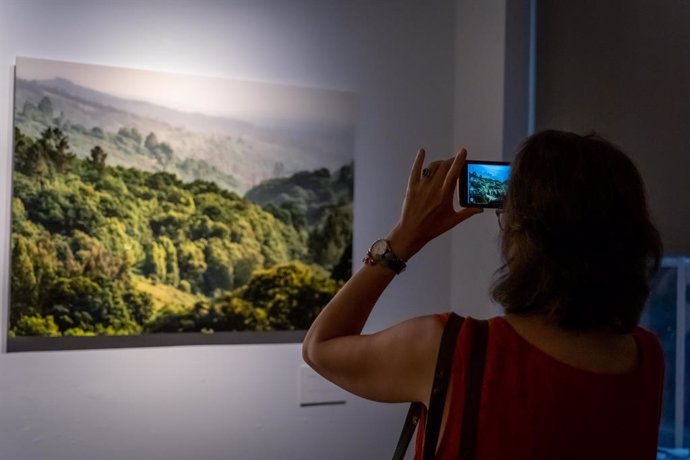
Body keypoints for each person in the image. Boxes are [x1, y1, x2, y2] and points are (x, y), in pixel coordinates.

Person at [302, 130, 664, 460]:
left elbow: (320, 347)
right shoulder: (646, 357)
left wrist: (405, 237)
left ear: (523, 234)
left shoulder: (454, 349)